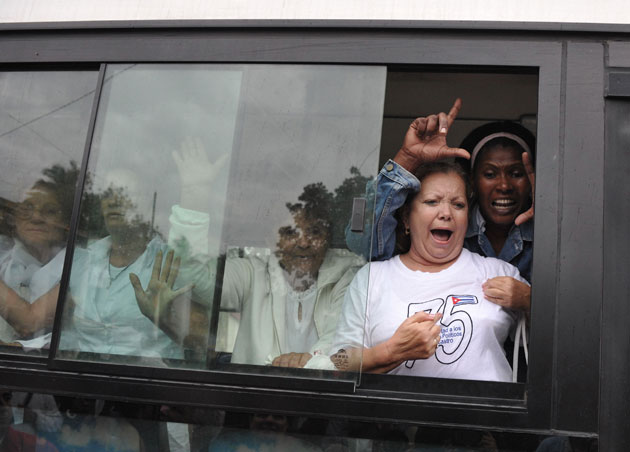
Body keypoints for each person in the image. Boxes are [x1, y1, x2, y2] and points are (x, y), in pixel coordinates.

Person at [330, 160, 529, 382]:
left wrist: (530, 301)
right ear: (406, 217)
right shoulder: (372, 277)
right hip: (396, 416)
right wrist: (392, 351)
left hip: (488, 415)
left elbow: (557, 348)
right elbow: (338, 362)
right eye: (432, 202)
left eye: (458, 205)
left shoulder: (498, 271)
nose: (446, 213)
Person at [346, 98, 535, 311]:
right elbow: (362, 243)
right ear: (472, 182)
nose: (504, 185)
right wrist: (408, 158)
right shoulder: (442, 232)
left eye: (517, 174)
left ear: (531, 180)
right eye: (490, 174)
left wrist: (531, 301)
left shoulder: (549, 236)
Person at [219, 183, 364, 367]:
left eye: (314, 232)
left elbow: (341, 337)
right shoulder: (252, 272)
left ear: (327, 237)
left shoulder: (346, 276)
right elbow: (199, 279)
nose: (303, 242)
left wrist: (310, 361)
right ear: (270, 240)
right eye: (290, 232)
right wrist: (192, 193)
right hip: (254, 393)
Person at [0, 180, 69, 347]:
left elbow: (28, 324)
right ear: (14, 218)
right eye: (26, 209)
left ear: (66, 222)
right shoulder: (3, 254)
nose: (36, 218)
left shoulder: (77, 266)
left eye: (50, 211)